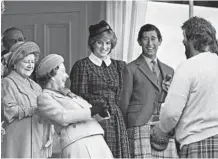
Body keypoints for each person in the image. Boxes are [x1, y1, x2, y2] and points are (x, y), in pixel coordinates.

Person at [152, 16, 218, 158]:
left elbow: (170, 113)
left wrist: (161, 128)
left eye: (184, 38)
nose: (183, 41)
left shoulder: (187, 67)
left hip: (198, 144)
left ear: (193, 39)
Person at [70, 20, 130, 158]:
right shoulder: (83, 66)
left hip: (116, 121)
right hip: (94, 122)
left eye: (108, 43)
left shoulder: (119, 66)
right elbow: (79, 99)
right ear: (92, 43)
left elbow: (121, 96)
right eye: (100, 43)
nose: (104, 47)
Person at [36, 54, 113, 158]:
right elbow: (63, 117)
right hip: (79, 142)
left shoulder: (68, 94)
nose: (67, 76)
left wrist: (101, 112)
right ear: (52, 75)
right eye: (63, 72)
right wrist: (92, 111)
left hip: (96, 136)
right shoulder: (44, 97)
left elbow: (89, 112)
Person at [119, 24, 178, 158]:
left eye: (153, 38)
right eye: (145, 39)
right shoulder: (130, 68)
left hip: (163, 128)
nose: (150, 43)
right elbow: (123, 103)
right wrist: (125, 131)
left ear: (160, 41)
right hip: (139, 126)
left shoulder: (169, 71)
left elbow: (173, 103)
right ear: (139, 42)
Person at [1, 41, 52, 158]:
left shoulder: (36, 86)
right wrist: (33, 110)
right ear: (15, 63)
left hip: (37, 139)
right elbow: (9, 111)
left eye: (33, 62)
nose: (30, 65)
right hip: (19, 141)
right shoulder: (7, 82)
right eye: (26, 62)